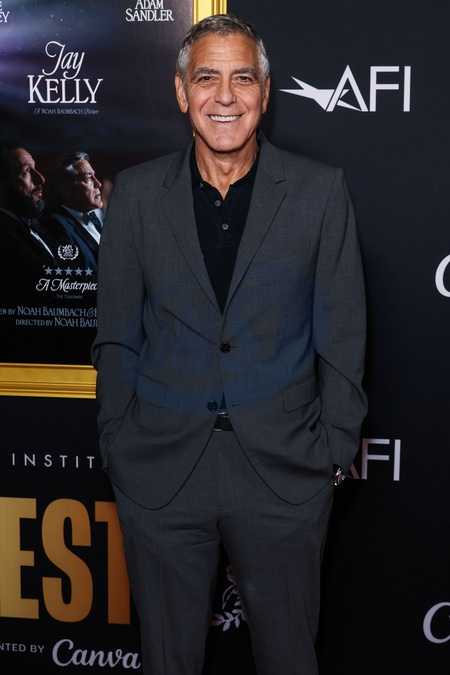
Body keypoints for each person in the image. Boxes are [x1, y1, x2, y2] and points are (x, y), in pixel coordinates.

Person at [92, 14, 367, 675]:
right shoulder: (135, 194)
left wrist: (332, 452)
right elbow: (117, 334)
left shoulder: (319, 190)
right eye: (206, 78)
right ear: (180, 91)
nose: (224, 96)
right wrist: (119, 442)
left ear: (265, 94)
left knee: (289, 660)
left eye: (242, 78)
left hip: (282, 473)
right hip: (161, 471)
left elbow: (343, 332)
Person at [0, 140, 55, 301]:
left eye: (35, 168)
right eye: (26, 172)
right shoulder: (3, 234)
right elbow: (48, 282)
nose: (41, 179)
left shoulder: (35, 223)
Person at [42, 151, 103, 275]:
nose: (98, 183)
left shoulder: (93, 218)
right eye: (88, 178)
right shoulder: (55, 224)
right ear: (66, 190)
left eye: (95, 176)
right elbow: (72, 276)